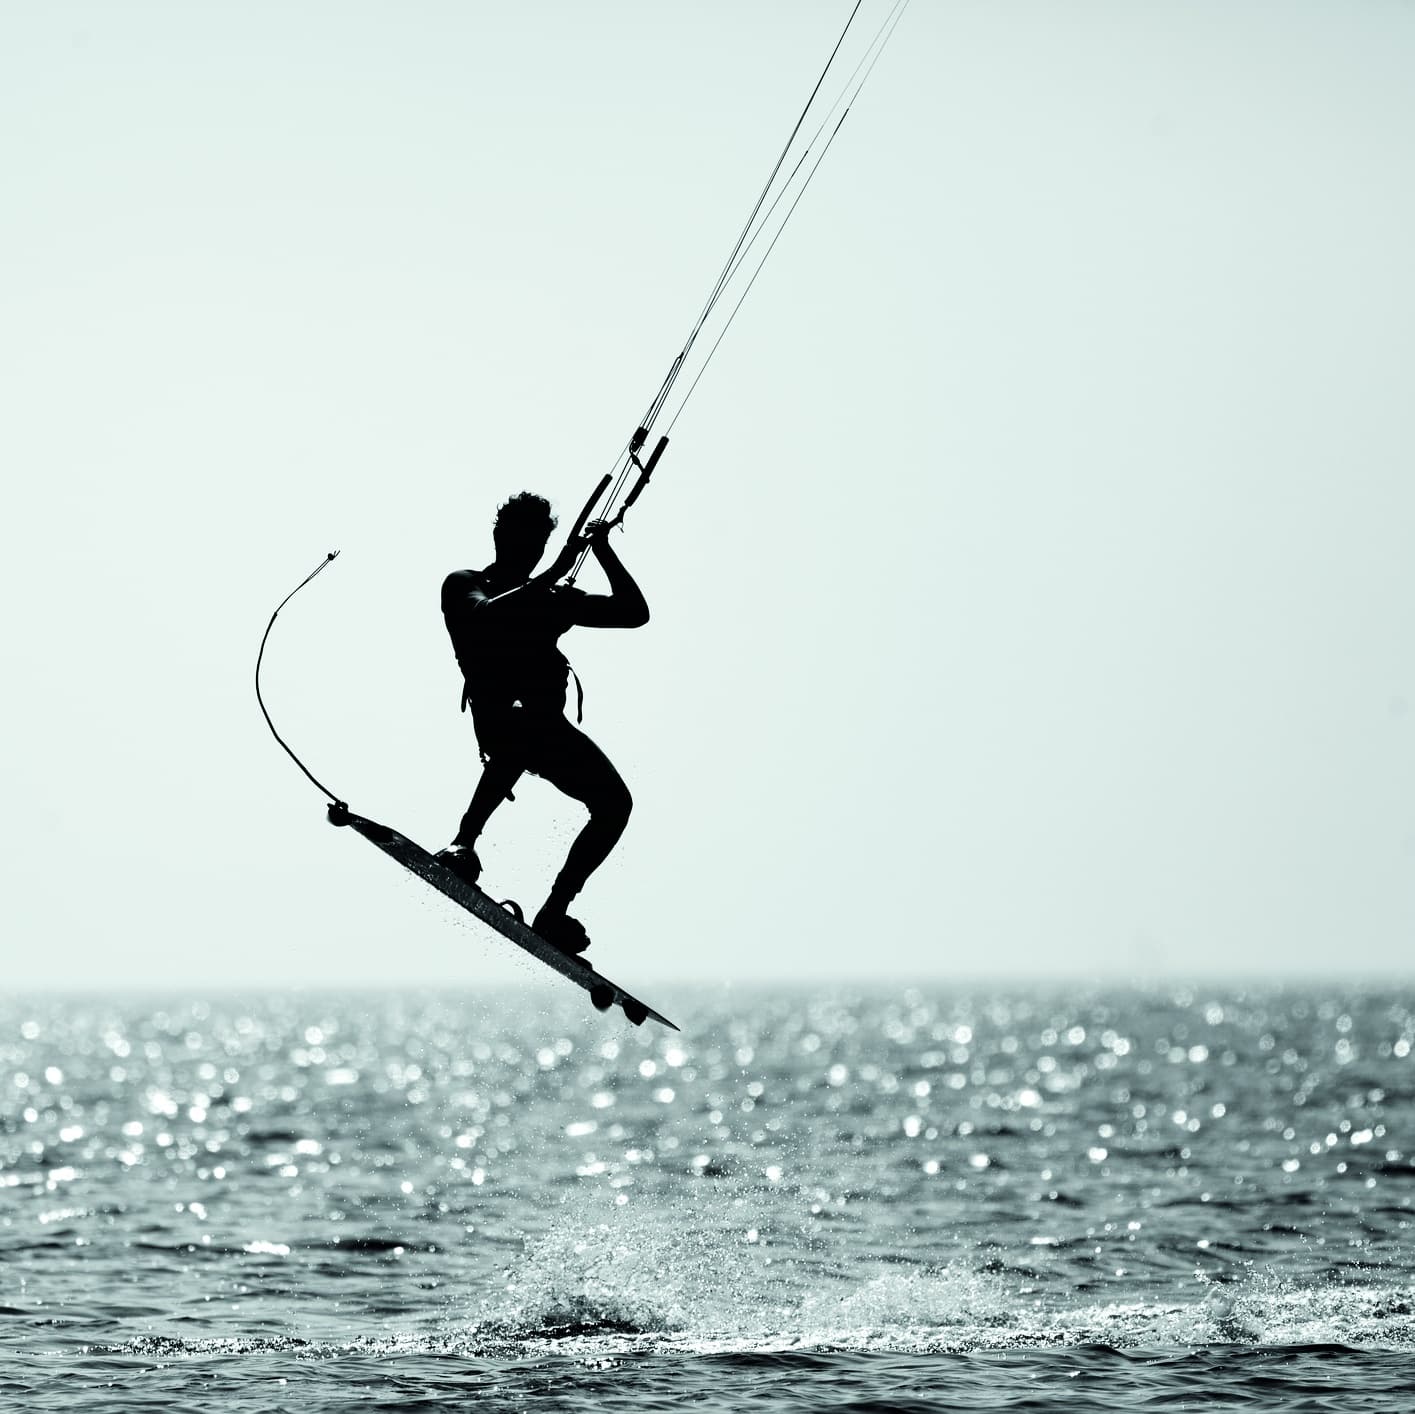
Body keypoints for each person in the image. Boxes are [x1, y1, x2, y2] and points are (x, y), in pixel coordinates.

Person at [437, 491, 649, 957]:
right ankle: (462, 844)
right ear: (500, 537)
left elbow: (634, 613)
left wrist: (602, 550)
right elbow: (483, 616)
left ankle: (554, 910)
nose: (530, 552)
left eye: (538, 544)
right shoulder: (465, 583)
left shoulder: (552, 599)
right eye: (522, 540)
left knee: (616, 804)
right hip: (500, 718)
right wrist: (552, 575)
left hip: (547, 729)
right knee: (524, 724)